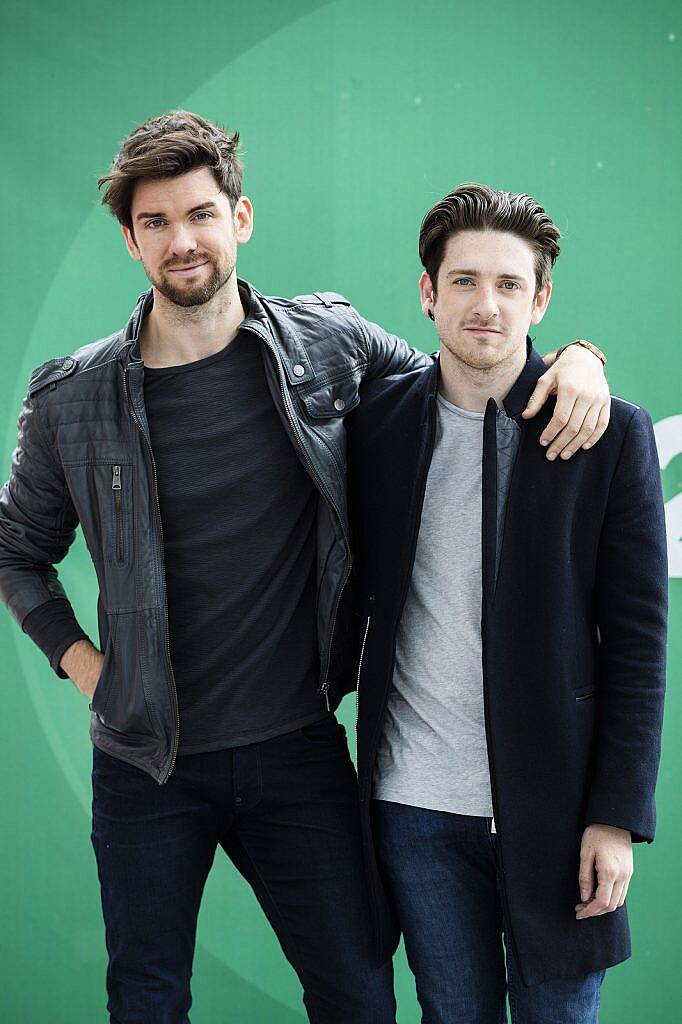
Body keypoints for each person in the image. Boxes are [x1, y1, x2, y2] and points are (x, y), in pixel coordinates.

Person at [0, 113, 610, 1024]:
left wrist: (579, 359)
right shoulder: (72, 399)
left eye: (201, 214)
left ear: (241, 218)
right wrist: (86, 666)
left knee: (361, 996)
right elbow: (17, 552)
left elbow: (466, 383)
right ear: (131, 241)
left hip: (297, 747)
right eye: (156, 223)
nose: (183, 241)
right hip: (145, 761)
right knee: (148, 998)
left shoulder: (327, 345)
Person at [347, 183, 668, 1024]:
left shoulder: (606, 432)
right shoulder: (375, 422)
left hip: (558, 813)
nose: (484, 306)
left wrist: (616, 819)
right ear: (427, 292)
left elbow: (638, 643)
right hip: (414, 808)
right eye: (462, 281)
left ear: (542, 298)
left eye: (509, 285)